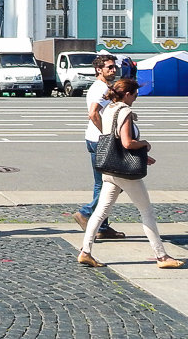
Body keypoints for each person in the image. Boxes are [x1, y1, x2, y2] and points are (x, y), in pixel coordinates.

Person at [77, 78, 184, 269]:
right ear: (127, 94)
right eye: (135, 94)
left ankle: (86, 252)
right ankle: (161, 256)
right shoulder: (124, 111)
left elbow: (114, 139)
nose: (136, 97)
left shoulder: (109, 108)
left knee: (100, 212)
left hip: (109, 167)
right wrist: (144, 144)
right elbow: (127, 142)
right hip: (124, 172)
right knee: (146, 211)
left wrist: (143, 156)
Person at [72, 54, 125, 240]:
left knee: (103, 184)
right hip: (100, 141)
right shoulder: (101, 89)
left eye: (114, 67)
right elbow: (93, 113)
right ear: (98, 69)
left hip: (96, 139)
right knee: (114, 184)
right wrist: (108, 134)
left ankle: (102, 226)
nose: (113, 70)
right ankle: (85, 213)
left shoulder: (104, 87)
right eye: (109, 67)